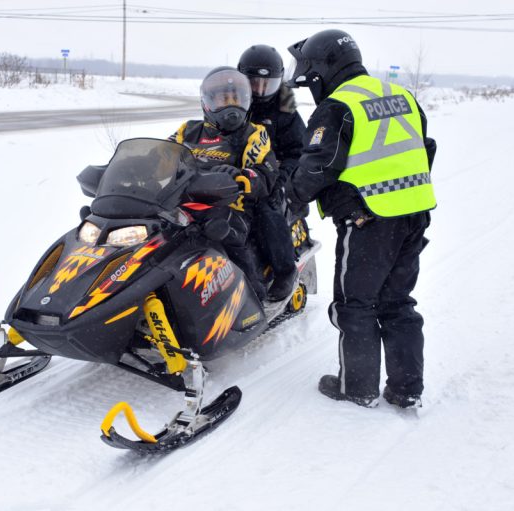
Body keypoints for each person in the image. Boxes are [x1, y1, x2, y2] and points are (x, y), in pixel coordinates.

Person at [285, 30, 437, 408]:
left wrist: (289, 199)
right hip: (415, 215)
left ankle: (357, 389)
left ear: (324, 70)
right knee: (397, 302)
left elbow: (317, 167)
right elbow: (425, 148)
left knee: (355, 305)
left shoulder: (338, 106)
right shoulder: (402, 96)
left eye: (311, 78)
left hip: (368, 220)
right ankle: (406, 389)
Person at [169, 66, 278, 301]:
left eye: (235, 99)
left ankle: (251, 295)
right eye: (223, 99)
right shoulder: (188, 131)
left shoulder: (253, 134)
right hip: (181, 204)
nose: (230, 105)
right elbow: (163, 155)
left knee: (224, 232)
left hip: (232, 207)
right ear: (208, 101)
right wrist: (136, 166)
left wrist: (241, 176)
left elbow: (265, 171)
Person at [237, 44, 307, 301]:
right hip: (236, 172)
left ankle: (285, 270)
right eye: (254, 83)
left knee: (266, 209)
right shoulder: (234, 103)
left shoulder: (285, 111)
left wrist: (280, 180)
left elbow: (298, 152)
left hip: (272, 176)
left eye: (267, 84)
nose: (260, 90)